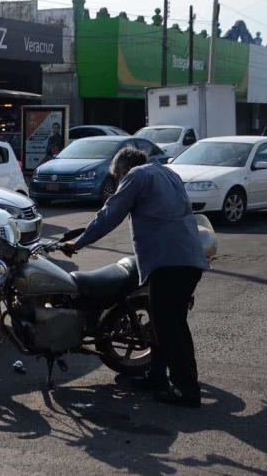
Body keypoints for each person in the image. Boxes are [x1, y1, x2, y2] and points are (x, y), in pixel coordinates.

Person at [61, 147, 209, 408]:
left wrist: (79, 243)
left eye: (117, 177)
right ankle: (156, 376)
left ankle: (187, 390)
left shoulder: (136, 176)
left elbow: (111, 213)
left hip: (169, 261)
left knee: (172, 328)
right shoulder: (167, 172)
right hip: (186, 258)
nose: (118, 182)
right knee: (162, 325)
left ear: (123, 169)